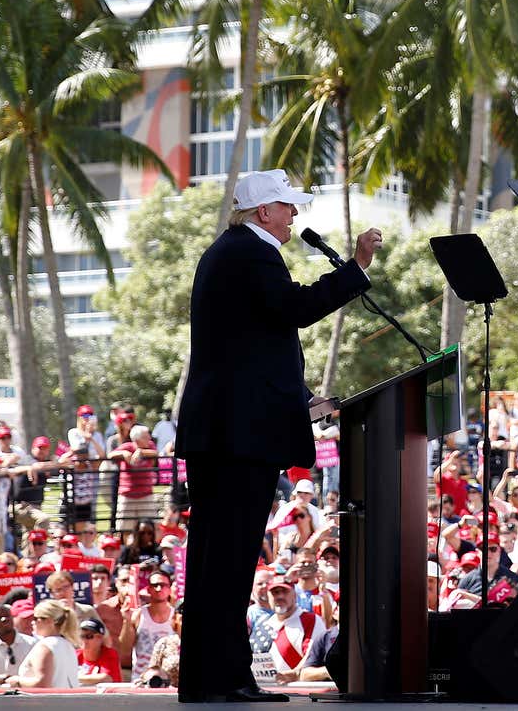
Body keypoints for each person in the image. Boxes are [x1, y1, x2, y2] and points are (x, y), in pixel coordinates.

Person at [174, 169, 378, 704]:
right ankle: (218, 680)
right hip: (234, 438)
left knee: (225, 561)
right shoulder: (249, 252)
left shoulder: (237, 251)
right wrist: (355, 269)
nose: (293, 215)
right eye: (286, 206)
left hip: (230, 432)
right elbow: (296, 309)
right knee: (227, 560)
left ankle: (216, 679)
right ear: (263, 211)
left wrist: (298, 396)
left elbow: (253, 350)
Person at [5, 601, 81, 689]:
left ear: (49, 621)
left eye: (35, 618)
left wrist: (17, 681)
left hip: (47, 701)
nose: (32, 622)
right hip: (68, 700)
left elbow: (42, 684)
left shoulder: (45, 646)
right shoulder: (68, 645)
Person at [77, 618, 122, 684]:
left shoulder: (109, 654)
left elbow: (107, 678)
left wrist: (75, 678)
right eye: (81, 636)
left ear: (100, 638)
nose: (84, 640)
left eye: (88, 636)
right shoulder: (75, 655)